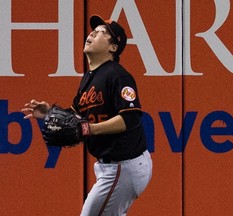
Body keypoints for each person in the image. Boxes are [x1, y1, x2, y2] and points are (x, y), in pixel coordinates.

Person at [21, 14, 152, 216]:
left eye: (102, 33)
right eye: (94, 30)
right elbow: (76, 116)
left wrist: (90, 129)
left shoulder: (116, 74)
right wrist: (49, 112)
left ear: (113, 48)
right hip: (114, 167)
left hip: (123, 166)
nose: (92, 33)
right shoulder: (90, 77)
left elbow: (131, 117)